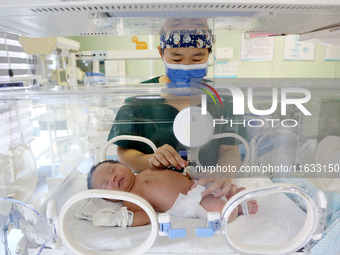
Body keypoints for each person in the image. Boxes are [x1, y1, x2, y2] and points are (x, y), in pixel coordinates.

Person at [107, 18, 248, 199]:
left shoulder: (223, 98)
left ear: (209, 54)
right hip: (157, 193)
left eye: (198, 58)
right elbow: (124, 151)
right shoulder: (139, 98)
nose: (186, 66)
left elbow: (230, 150)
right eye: (176, 58)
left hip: (207, 190)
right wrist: (150, 160)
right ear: (161, 53)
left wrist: (224, 173)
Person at [87, 160, 258, 227]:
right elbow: (146, 215)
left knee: (219, 187)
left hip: (194, 185)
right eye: (105, 183)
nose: (113, 176)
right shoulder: (131, 200)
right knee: (221, 210)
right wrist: (120, 219)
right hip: (188, 203)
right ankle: (237, 208)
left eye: (113, 169)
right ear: (109, 198)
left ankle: (230, 194)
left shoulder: (144, 170)